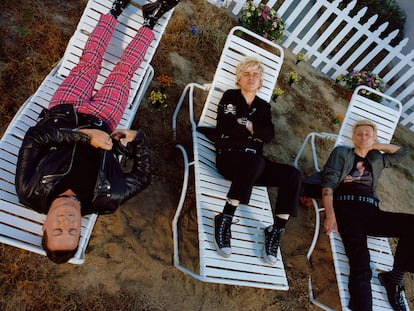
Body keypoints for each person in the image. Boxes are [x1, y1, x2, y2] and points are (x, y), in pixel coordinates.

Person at [15, 0, 180, 264]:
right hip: (106, 117)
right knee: (124, 72)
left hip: (65, 109)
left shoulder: (28, 189)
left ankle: (115, 10)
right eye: (73, 231)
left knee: (89, 61)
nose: (67, 222)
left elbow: (36, 136)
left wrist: (85, 136)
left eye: (58, 230)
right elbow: (143, 177)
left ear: (44, 227)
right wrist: (138, 140)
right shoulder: (107, 199)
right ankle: (151, 21)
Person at [212, 57, 302, 265]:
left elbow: (269, 135)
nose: (251, 78)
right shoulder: (230, 97)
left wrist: (248, 125)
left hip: (254, 164)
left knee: (293, 175)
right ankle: (225, 218)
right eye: (246, 74)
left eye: (255, 75)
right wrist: (254, 132)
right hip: (229, 159)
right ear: (239, 79)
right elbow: (227, 126)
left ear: (260, 81)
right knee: (255, 162)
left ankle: (276, 229)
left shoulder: (263, 107)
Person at [321, 119, 414, 311]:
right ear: (353, 137)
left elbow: (403, 153)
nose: (364, 137)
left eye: (368, 134)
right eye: (360, 134)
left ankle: (393, 279)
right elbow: (328, 184)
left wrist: (376, 146)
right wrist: (330, 215)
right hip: (348, 211)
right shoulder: (342, 153)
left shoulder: (377, 158)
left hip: (372, 212)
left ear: (374, 137)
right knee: (361, 263)